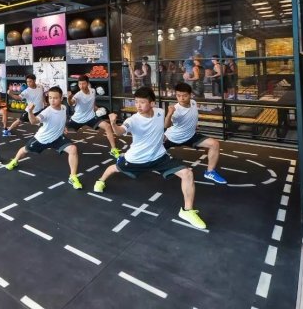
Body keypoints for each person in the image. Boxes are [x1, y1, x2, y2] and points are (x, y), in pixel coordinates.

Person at [93, 87, 207, 229]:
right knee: (115, 168)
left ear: (152, 103)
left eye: (142, 102)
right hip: (136, 159)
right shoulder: (133, 120)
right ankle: (100, 180)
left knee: (187, 174)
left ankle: (187, 211)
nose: (138, 106)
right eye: (136, 102)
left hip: (159, 157)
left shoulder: (160, 112)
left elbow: (165, 125)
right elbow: (120, 132)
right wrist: (113, 124)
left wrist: (169, 117)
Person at [5, 86, 82, 189]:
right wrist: (30, 112)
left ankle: (72, 176)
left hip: (57, 138)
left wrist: (63, 127)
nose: (52, 100)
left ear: (61, 99)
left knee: (73, 149)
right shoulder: (47, 112)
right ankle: (15, 161)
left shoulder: (64, 108)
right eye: (50, 98)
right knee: (25, 149)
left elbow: (61, 118)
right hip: (42, 139)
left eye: (55, 98)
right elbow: (33, 121)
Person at [164, 83, 227, 184]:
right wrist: (169, 114)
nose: (181, 98)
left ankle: (210, 172)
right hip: (173, 138)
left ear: (190, 95)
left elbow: (192, 115)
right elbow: (166, 125)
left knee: (214, 144)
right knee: (150, 155)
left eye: (184, 95)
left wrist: (194, 125)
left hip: (190, 136)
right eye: (178, 96)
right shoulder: (176, 110)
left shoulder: (193, 102)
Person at [66, 75, 121, 159]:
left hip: (90, 117)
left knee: (107, 126)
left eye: (83, 84)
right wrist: (69, 98)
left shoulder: (93, 91)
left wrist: (97, 109)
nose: (81, 86)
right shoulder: (77, 95)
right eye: (79, 84)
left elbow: (93, 103)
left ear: (88, 83)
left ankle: (113, 149)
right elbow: (71, 103)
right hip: (77, 119)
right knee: (61, 129)